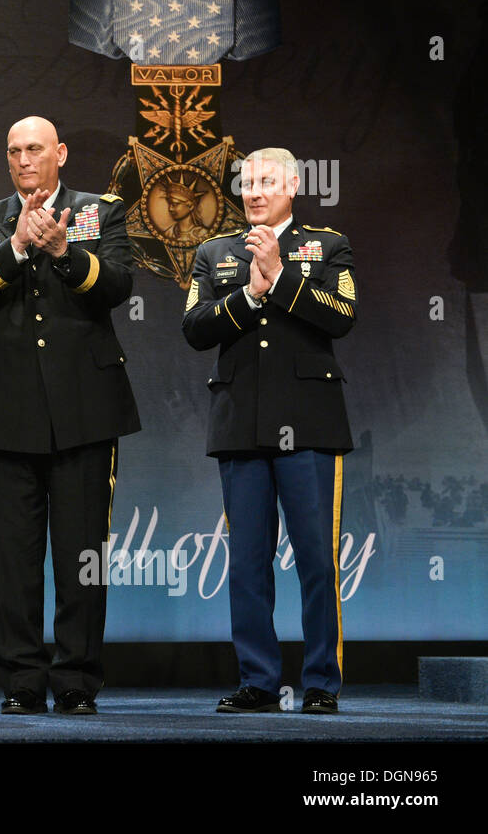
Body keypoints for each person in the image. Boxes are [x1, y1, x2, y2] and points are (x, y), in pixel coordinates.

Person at [0, 116, 140, 716]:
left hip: (85, 408)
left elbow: (117, 286)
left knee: (83, 551)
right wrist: (17, 247)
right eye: (13, 151)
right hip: (4, 411)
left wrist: (63, 251)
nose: (24, 159)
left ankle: (77, 679)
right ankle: (22, 681)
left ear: (60, 152)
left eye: (35, 149)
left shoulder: (101, 211)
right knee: (11, 555)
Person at [182, 147, 356, 715]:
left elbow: (341, 316)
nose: (254, 191)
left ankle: (321, 685)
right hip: (241, 426)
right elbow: (194, 327)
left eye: (266, 181)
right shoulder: (214, 252)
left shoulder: (327, 245)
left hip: (309, 423)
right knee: (247, 560)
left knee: (315, 558)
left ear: (293, 185)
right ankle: (258, 681)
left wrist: (280, 277)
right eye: (246, 182)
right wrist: (249, 294)